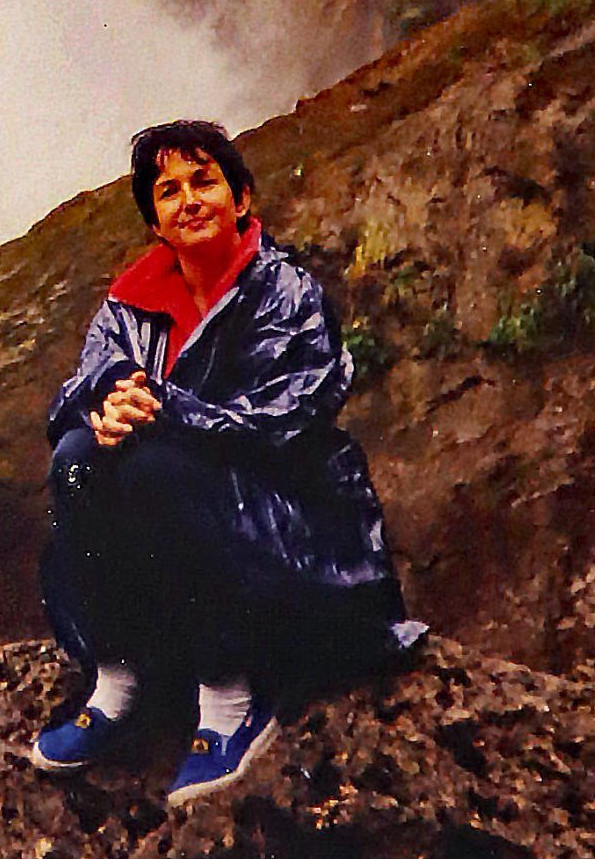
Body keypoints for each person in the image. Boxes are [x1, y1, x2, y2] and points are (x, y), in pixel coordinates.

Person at [29, 119, 422, 802]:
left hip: (289, 519)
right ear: (155, 222)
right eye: (168, 191)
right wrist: (108, 402)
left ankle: (230, 696)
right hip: (182, 517)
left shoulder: (286, 292)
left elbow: (285, 417)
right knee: (77, 458)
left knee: (156, 467)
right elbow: (78, 392)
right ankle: (117, 676)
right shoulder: (129, 305)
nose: (189, 200)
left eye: (204, 182)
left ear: (240, 200)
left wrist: (163, 409)